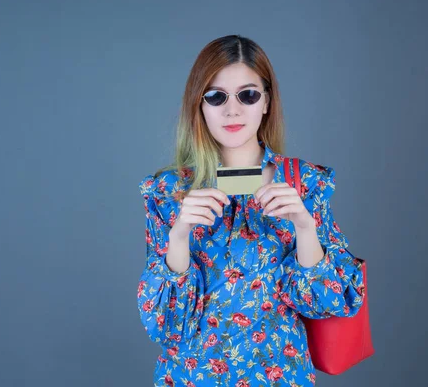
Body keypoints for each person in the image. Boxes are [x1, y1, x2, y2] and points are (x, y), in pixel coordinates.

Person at [136, 34, 365, 386]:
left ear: (267, 102)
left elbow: (333, 301)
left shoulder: (304, 183)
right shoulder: (169, 192)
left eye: (248, 94)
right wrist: (179, 235)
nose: (232, 110)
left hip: (280, 377)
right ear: (199, 104)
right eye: (216, 96)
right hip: (190, 378)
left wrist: (305, 228)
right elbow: (164, 324)